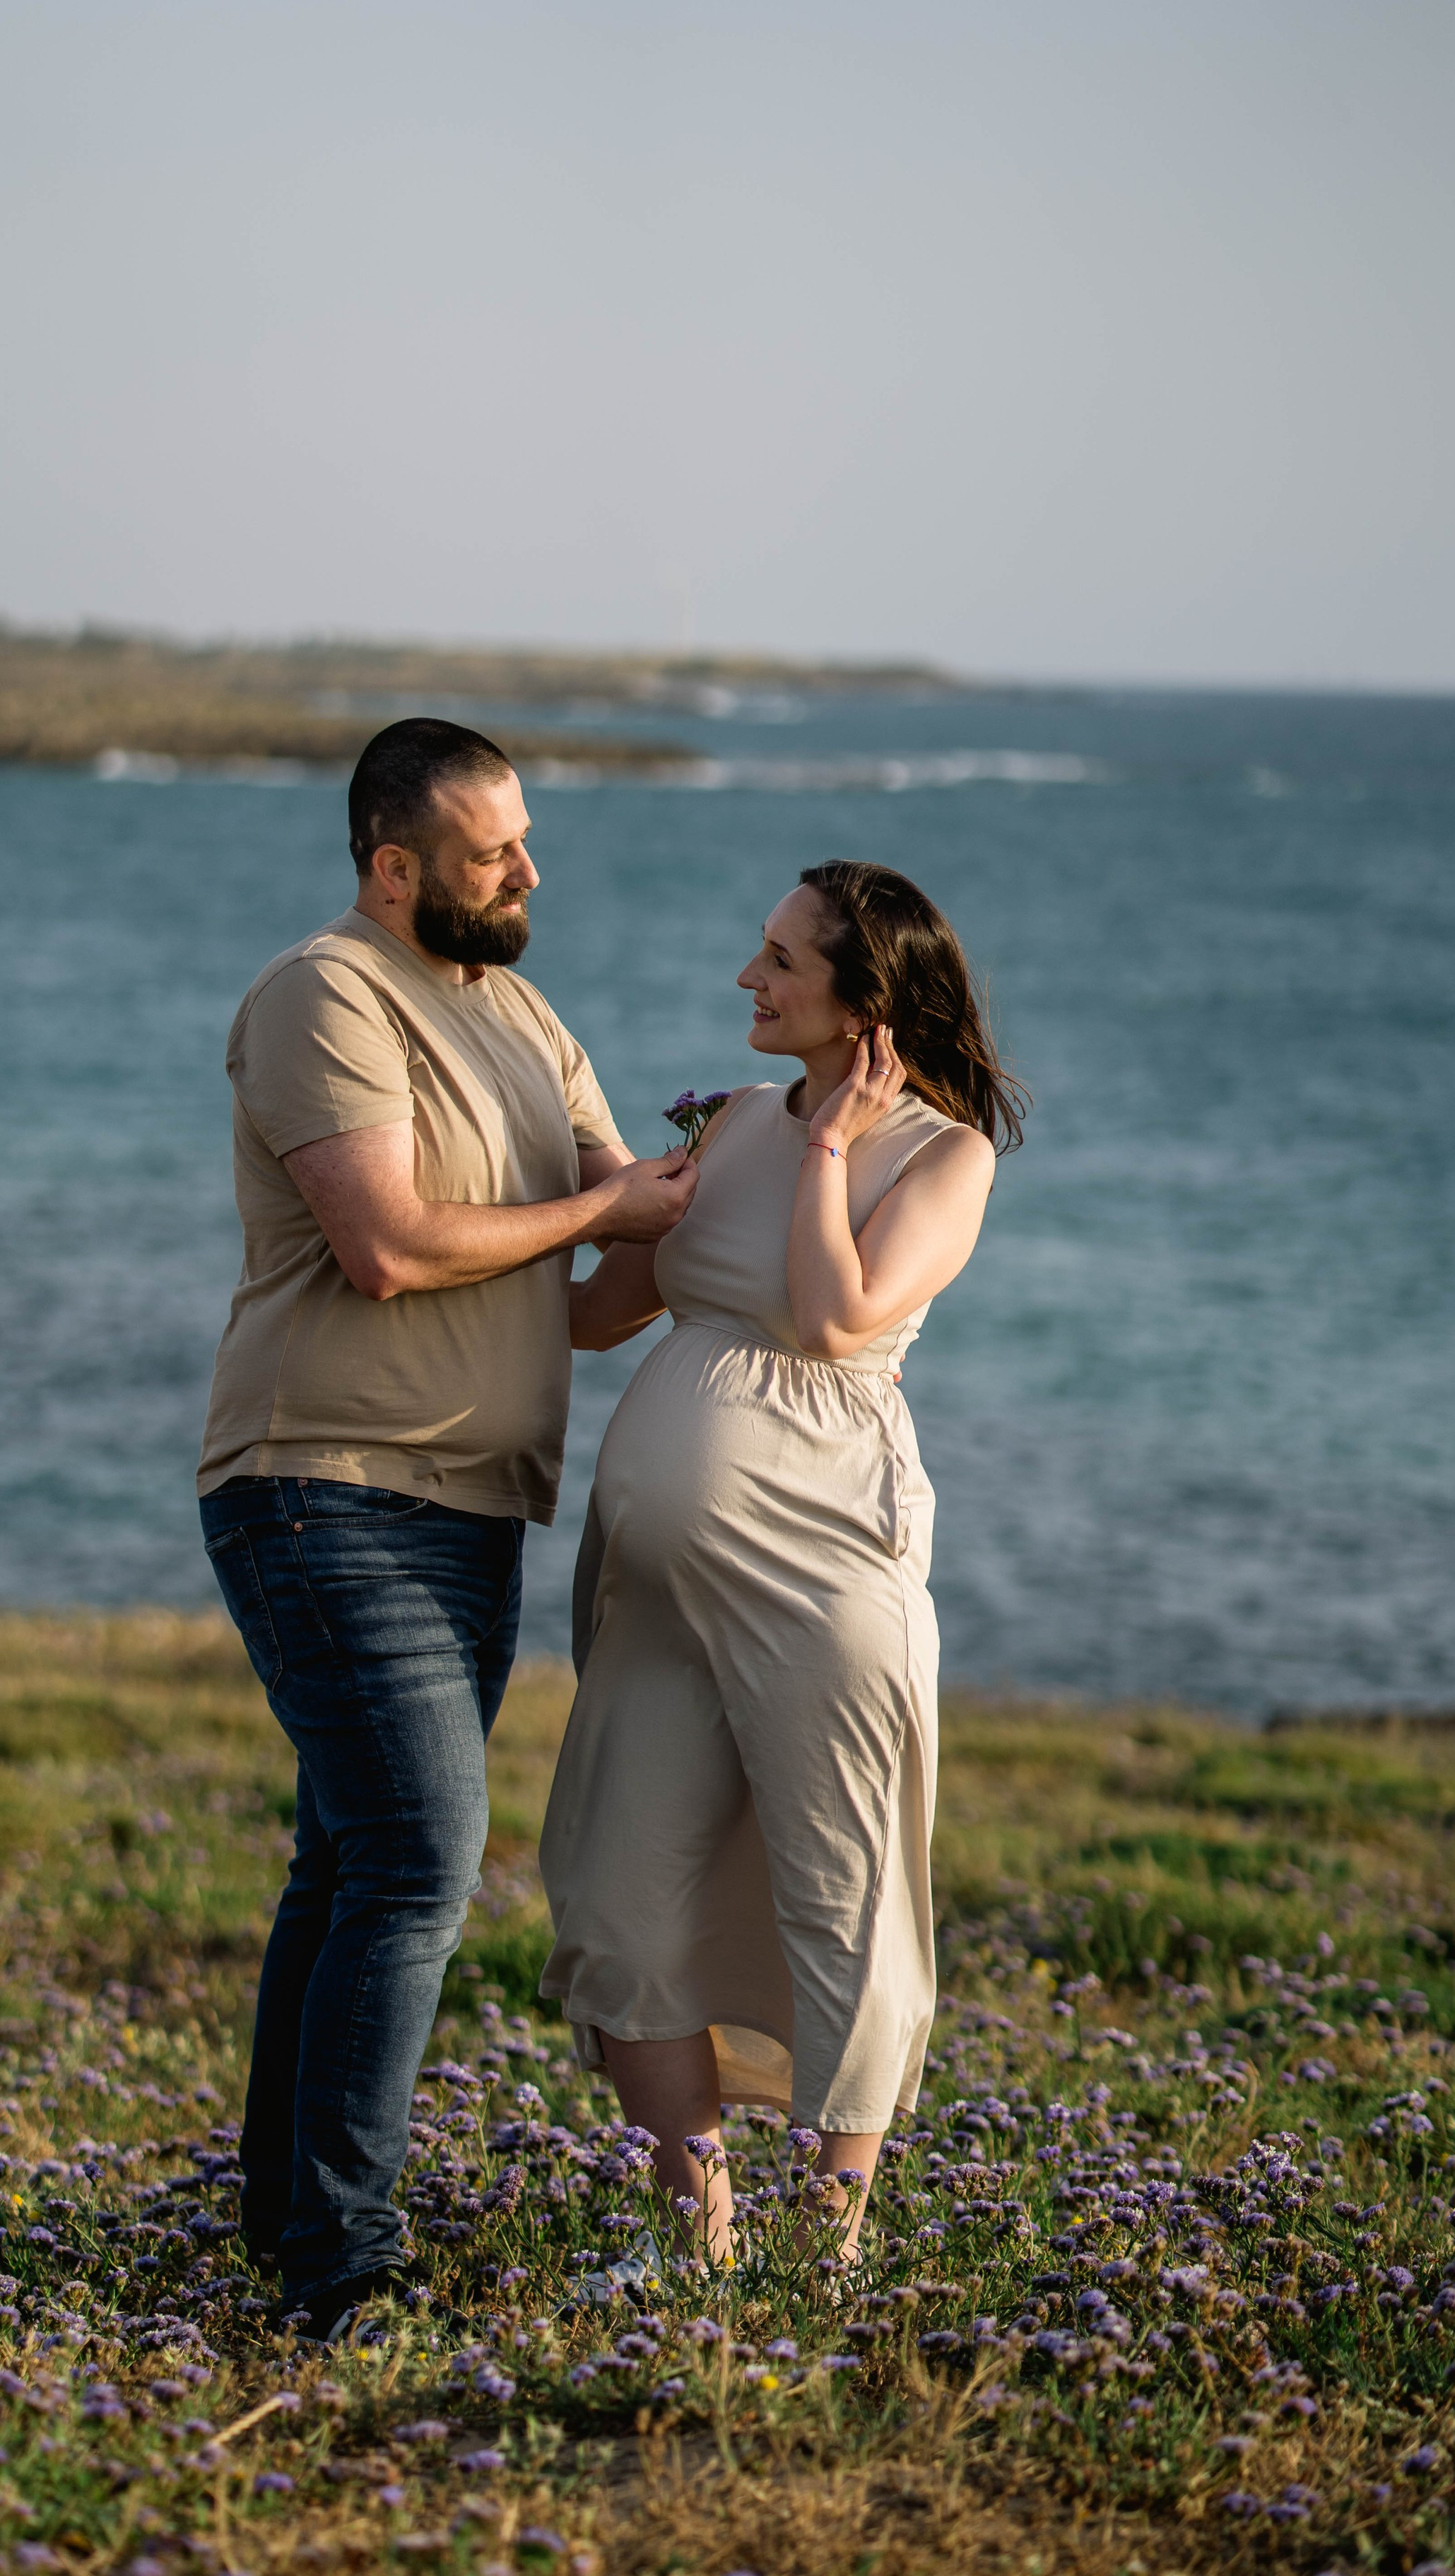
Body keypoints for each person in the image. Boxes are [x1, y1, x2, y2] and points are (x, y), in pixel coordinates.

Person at [197, 717, 697, 2339]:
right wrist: (607, 1211)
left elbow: (607, 1292)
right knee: (417, 1860)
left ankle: (283, 2231)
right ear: (393, 866)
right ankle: (343, 2275)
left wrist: (754, 1168)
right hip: (321, 1485)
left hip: (471, 1511)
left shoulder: (524, 1014)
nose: (529, 872)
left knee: (346, 1865)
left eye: (526, 841)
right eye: (494, 853)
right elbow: (392, 1248)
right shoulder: (321, 995)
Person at [539, 857, 1024, 2264]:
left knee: (843, 1890)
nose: (745, 981)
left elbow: (831, 1317)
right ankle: (693, 2235)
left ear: (861, 998)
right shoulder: (720, 1113)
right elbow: (596, 1312)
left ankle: (826, 2252)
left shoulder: (945, 1155)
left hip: (824, 1568)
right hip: (655, 1596)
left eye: (777, 962)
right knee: (617, 1899)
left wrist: (823, 1151)